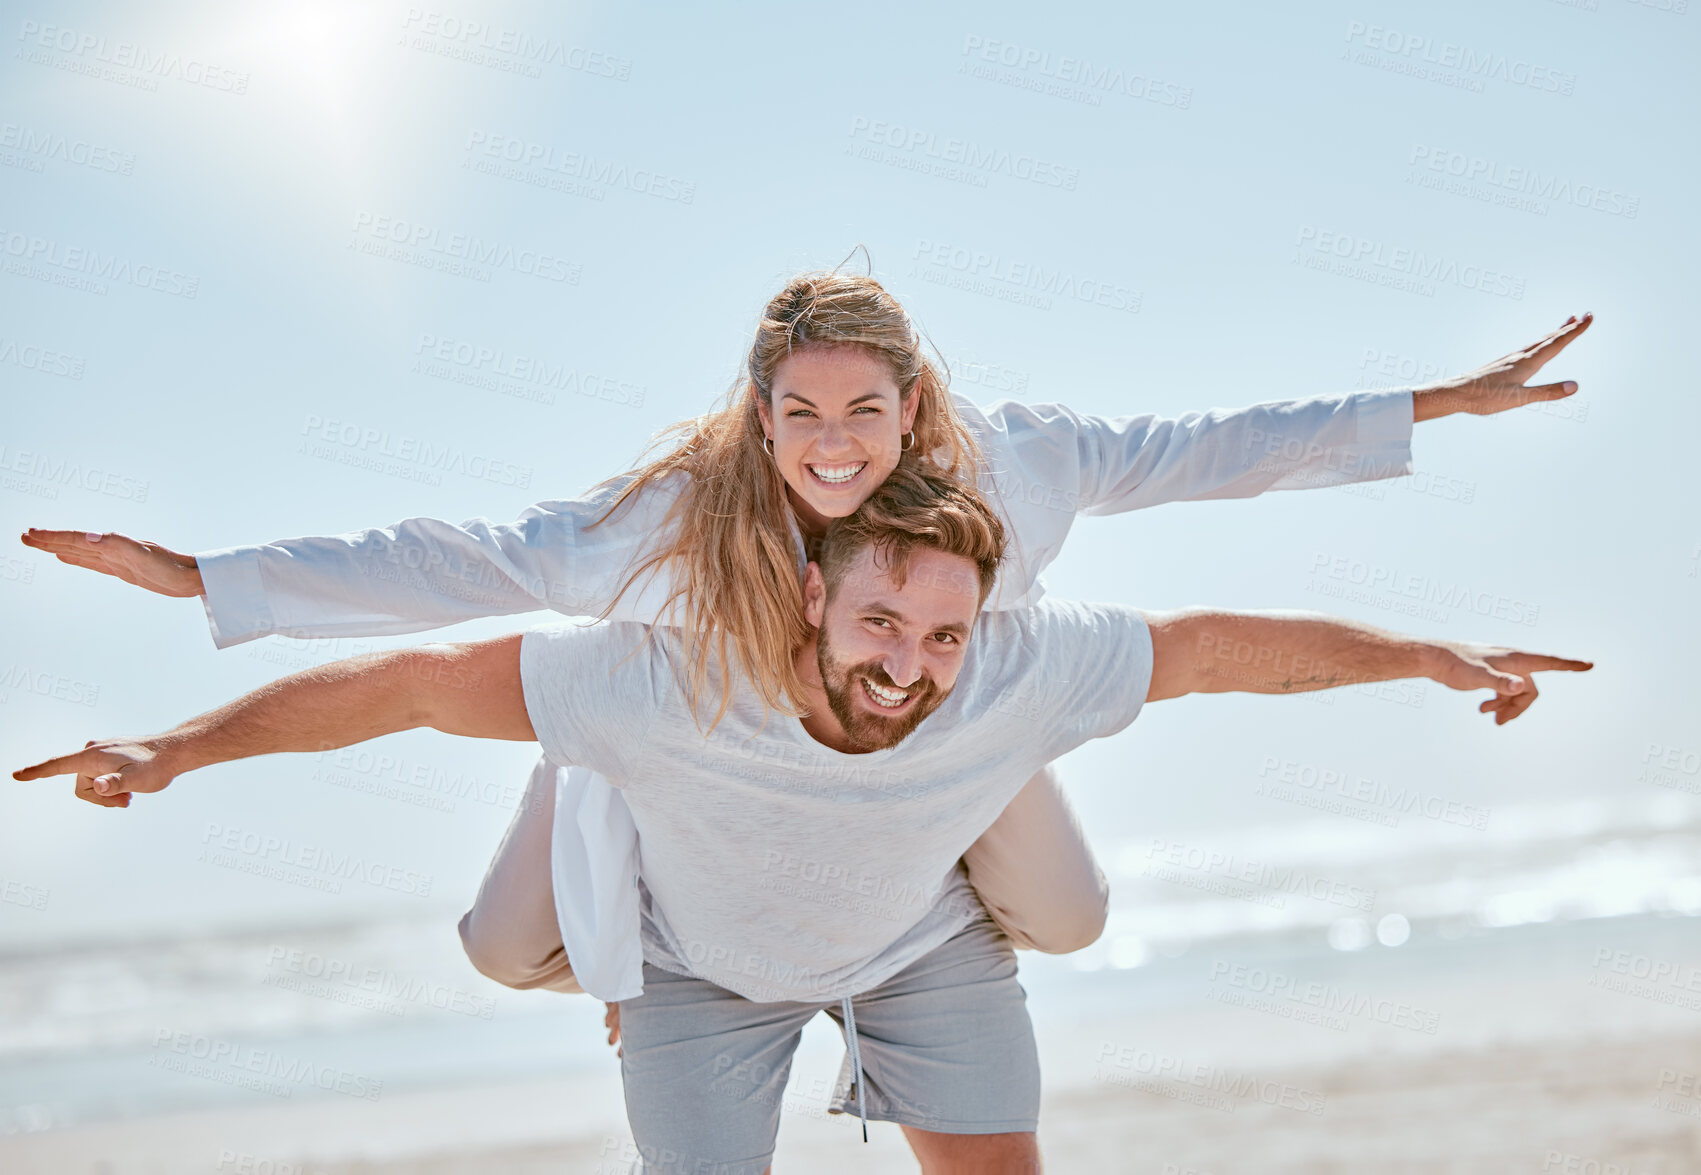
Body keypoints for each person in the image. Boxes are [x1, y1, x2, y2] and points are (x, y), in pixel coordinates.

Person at [17, 265, 1595, 1007]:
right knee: (506, 953)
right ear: (756, 413)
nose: (832, 443)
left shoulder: (1024, 462)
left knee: (1064, 925)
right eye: (795, 413)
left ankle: (882, 931)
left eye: (862, 410)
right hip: (690, 753)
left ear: (915, 405)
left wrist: (1438, 404)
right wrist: (200, 580)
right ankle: (642, 835)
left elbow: (1212, 447)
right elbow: (459, 563)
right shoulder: (677, 519)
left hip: (952, 741)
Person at [16, 469, 1593, 1175]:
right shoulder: (667, 675)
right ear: (806, 601)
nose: (908, 663)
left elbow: (1215, 652)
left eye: (943, 639)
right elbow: (415, 684)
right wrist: (179, 747)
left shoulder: (1008, 665)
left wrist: (1423, 657)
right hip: (697, 965)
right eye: (879, 625)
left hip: (919, 940)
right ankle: (592, 808)